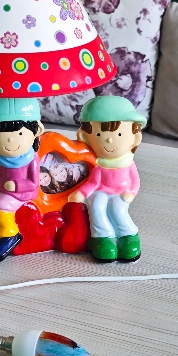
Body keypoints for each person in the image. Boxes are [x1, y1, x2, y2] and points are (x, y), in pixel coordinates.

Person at [68, 96, 145, 262]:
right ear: (84, 138)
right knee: (96, 206)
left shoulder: (127, 163)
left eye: (119, 134)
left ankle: (128, 236)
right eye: (99, 134)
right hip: (101, 192)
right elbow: (93, 182)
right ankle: (102, 238)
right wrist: (81, 194)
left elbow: (135, 181)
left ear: (135, 137)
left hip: (121, 194)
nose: (109, 140)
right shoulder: (98, 164)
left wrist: (131, 193)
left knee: (118, 209)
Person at [0, 97, 44, 263]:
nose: (11, 140)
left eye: (20, 133)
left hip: (23, 193)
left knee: (1, 204)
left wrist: (16, 185)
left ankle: (8, 234)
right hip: (1, 189)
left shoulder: (31, 159)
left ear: (37, 131)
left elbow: (34, 183)